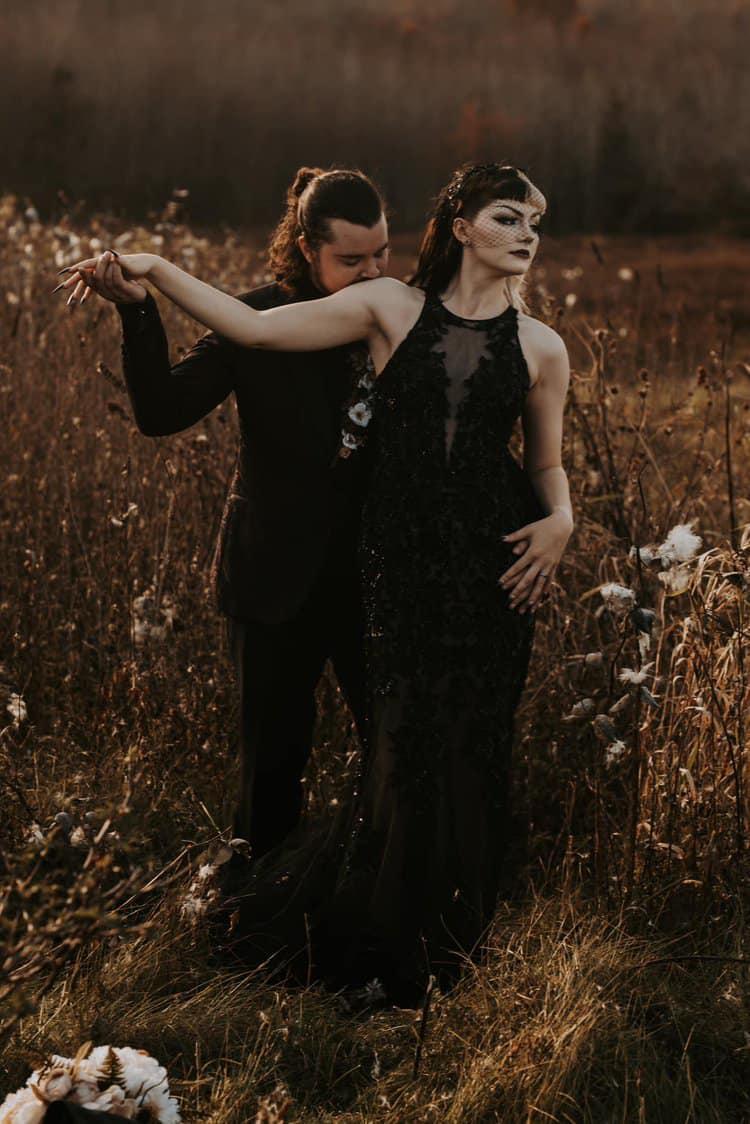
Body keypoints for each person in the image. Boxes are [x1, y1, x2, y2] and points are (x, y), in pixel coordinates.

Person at [59, 162, 574, 1006]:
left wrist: (562, 519)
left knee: (454, 756)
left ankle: (445, 943)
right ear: (463, 227)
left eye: (536, 222)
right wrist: (147, 279)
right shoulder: (368, 310)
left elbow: (545, 461)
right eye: (510, 218)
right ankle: (312, 941)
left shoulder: (530, 341)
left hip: (457, 576)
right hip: (344, 576)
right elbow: (224, 353)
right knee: (345, 761)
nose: (528, 235)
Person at [62, 168, 390, 868]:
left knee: (396, 758)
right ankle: (253, 912)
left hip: (374, 582)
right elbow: (161, 412)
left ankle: (371, 902)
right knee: (270, 774)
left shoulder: (394, 319)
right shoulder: (252, 320)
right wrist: (138, 312)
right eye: (352, 260)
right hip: (272, 580)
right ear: (307, 249)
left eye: (382, 254)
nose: (372, 273)